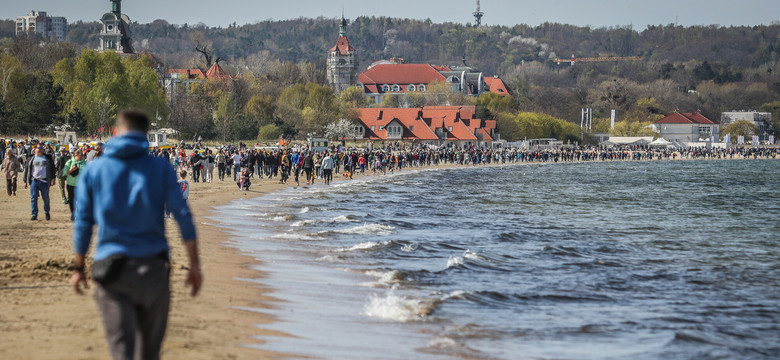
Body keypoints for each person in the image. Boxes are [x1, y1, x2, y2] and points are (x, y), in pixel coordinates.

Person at [70, 110, 201, 360]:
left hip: (111, 270)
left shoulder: (95, 170)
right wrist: (195, 265)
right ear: (146, 135)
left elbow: (84, 223)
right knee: (150, 354)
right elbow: (183, 216)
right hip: (153, 269)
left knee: (122, 352)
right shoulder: (160, 167)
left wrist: (78, 267)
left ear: (116, 133)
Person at [23, 145, 56, 221]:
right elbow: (27, 170)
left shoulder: (48, 158)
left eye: (42, 148)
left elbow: (52, 169)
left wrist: (53, 178)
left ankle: (47, 212)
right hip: (34, 181)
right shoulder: (31, 158)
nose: (40, 150)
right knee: (33, 198)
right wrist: (25, 181)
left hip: (44, 181)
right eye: (39, 148)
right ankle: (34, 214)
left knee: (46, 198)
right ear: (34, 149)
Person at [63, 149, 86, 221]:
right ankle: (73, 214)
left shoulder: (84, 163)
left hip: (81, 185)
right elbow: (65, 173)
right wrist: (72, 170)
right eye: (80, 154)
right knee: (72, 201)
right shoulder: (69, 162)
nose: (82, 156)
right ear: (75, 155)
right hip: (71, 185)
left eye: (82, 154)